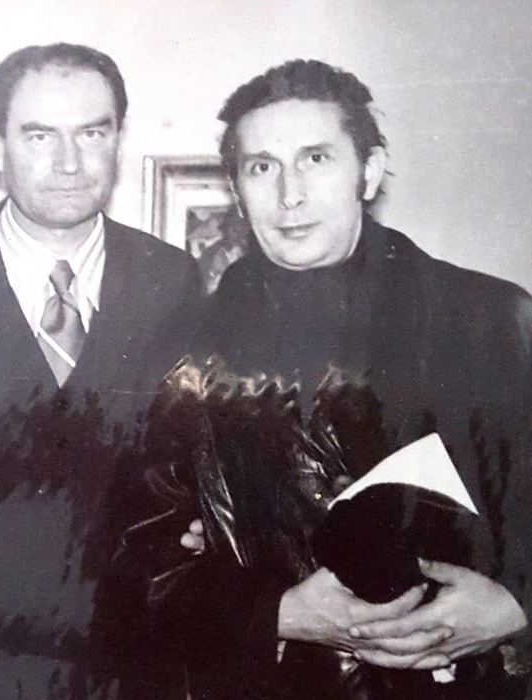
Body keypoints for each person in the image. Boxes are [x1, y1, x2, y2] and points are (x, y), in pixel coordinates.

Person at [141, 59, 532, 699]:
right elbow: (135, 561)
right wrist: (275, 613)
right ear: (237, 189)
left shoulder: (490, 318)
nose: (289, 195)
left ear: (369, 171)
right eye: (262, 167)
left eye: (316, 159)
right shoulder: (183, 350)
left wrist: (516, 610)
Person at [0, 43, 200, 699]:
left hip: (133, 669)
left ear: (117, 139)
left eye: (92, 133)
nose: (68, 162)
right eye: (39, 135)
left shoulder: (174, 282)